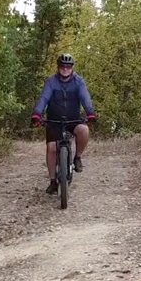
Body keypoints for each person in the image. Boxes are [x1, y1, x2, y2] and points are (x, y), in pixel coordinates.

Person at [30, 53, 97, 194]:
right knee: (52, 148)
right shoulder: (51, 82)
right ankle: (53, 181)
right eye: (62, 66)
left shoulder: (79, 82)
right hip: (54, 121)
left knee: (84, 131)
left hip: (73, 119)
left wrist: (90, 113)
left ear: (72, 68)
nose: (65, 69)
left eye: (68, 66)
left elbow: (85, 98)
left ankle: (77, 157)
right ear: (58, 67)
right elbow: (44, 98)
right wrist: (37, 113)